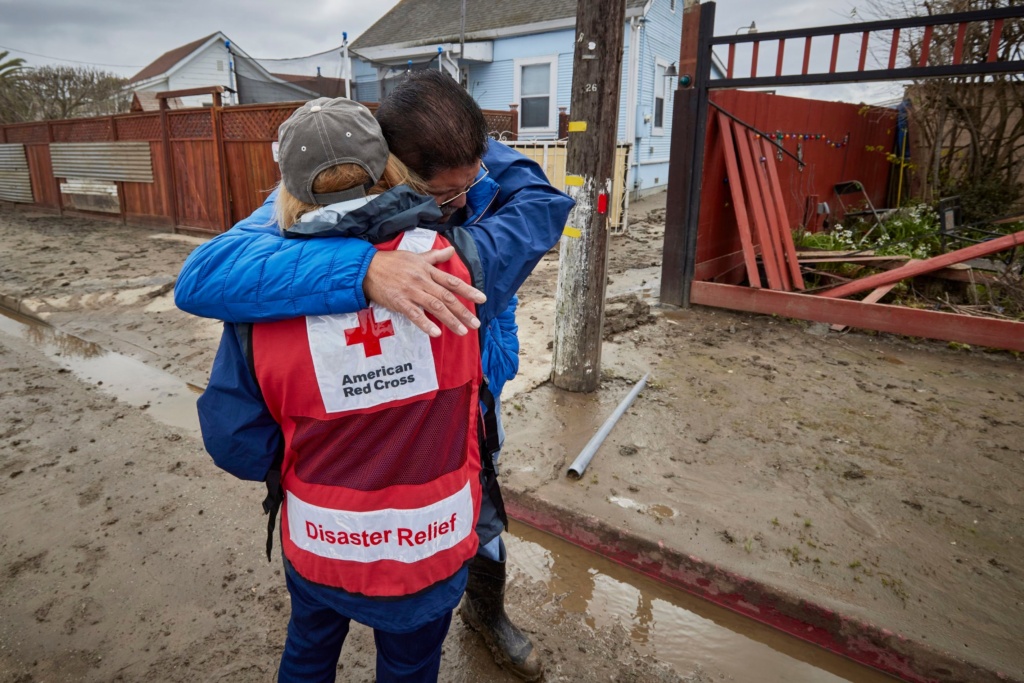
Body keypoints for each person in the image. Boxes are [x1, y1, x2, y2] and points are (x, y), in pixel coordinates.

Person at [175, 71, 574, 681]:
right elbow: (541, 206)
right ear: (396, 169)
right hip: (432, 543)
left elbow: (236, 441)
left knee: (308, 653)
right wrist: (363, 270)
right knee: (412, 664)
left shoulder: (258, 307)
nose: (461, 202)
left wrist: (312, 462)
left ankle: (489, 613)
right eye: (446, 193)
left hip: (323, 538)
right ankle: (482, 611)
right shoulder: (461, 267)